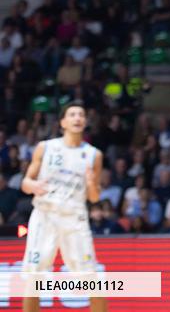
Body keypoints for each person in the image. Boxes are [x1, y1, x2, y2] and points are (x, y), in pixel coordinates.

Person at [20, 101, 106, 312]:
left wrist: (90, 183)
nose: (77, 117)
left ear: (85, 122)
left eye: (81, 114)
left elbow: (94, 197)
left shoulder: (94, 154)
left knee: (92, 280)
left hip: (74, 218)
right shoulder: (46, 147)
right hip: (45, 215)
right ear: (63, 122)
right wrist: (33, 185)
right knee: (33, 279)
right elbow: (25, 183)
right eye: (72, 114)